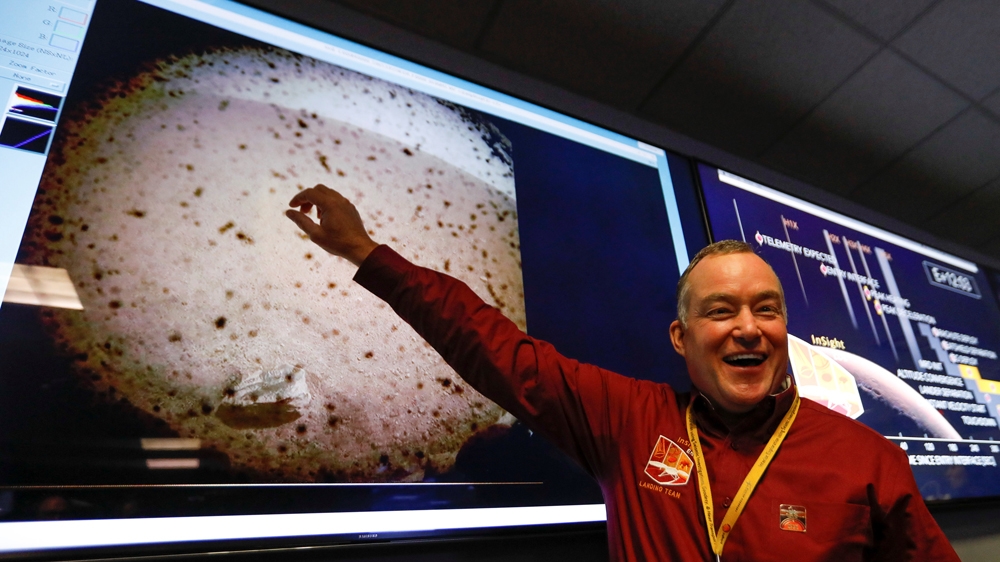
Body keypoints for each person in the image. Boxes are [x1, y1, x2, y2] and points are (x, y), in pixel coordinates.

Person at [285, 184, 959, 561]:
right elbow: (492, 346)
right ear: (681, 338)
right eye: (720, 311)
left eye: (767, 309)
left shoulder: (868, 459)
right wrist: (366, 252)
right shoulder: (631, 421)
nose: (749, 327)